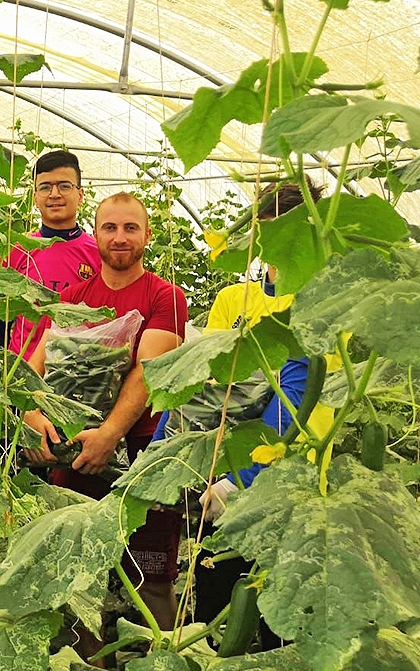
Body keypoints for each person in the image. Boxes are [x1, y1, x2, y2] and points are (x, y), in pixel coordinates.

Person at [154, 178, 333, 647]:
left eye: (289, 231)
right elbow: (205, 389)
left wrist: (246, 478)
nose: (276, 244)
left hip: (297, 484)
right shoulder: (234, 300)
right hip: (223, 478)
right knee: (218, 612)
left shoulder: (327, 303)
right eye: (267, 230)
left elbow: (301, 398)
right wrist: (160, 456)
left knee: (284, 625)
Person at [24, 192, 188, 630]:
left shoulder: (165, 296)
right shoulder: (73, 297)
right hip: (74, 452)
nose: (120, 237)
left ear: (147, 236)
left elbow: (146, 373)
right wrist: (33, 419)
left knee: (152, 576)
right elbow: (32, 368)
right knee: (78, 578)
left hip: (143, 456)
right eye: (110, 227)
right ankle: (90, 660)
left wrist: (109, 435)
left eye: (130, 228)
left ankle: (160, 658)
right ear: (95, 233)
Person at [0, 149, 101, 357]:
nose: (55, 194)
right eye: (45, 187)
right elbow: (0, 318)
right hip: (21, 373)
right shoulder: (17, 250)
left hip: (77, 372)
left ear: (80, 195)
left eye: (64, 186)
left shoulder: (99, 254)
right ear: (35, 197)